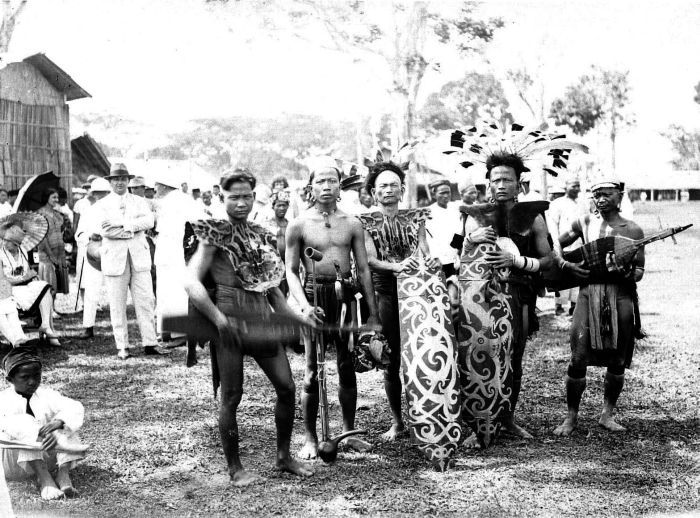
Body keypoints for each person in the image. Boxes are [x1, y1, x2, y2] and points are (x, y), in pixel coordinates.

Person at [185, 168, 313, 486]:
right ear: (221, 197)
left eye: (246, 196)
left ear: (254, 197)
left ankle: (283, 456)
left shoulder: (259, 232)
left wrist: (299, 316)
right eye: (233, 197)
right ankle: (235, 469)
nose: (241, 203)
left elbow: (273, 290)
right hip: (229, 321)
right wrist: (217, 319)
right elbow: (190, 282)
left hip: (261, 318)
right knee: (231, 396)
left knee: (287, 388)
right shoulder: (214, 230)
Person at [286, 157, 380, 458]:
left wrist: (373, 312)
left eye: (332, 181)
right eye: (321, 181)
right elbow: (290, 271)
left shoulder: (352, 223)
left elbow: (364, 269)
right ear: (310, 187)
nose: (326, 186)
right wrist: (304, 306)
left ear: (340, 186)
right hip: (314, 298)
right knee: (312, 371)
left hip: (345, 297)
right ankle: (311, 438)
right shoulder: (298, 224)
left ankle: (347, 432)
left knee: (346, 368)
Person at [460, 152, 555, 445]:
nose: (500, 185)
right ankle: (480, 422)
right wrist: (469, 239)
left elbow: (549, 259)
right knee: (480, 354)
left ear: (519, 184)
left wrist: (514, 260)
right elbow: (458, 255)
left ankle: (508, 419)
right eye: (495, 180)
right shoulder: (473, 215)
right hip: (480, 297)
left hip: (518, 293)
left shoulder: (533, 216)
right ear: (488, 183)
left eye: (507, 180)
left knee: (514, 356)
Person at [553, 176, 645, 436]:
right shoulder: (585, 222)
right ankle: (571, 418)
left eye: (607, 194)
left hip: (620, 295)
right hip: (588, 292)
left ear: (620, 195)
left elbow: (639, 271)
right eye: (597, 194)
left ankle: (607, 414)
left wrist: (625, 273)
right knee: (578, 353)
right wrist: (564, 264)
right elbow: (556, 243)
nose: (602, 199)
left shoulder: (633, 230)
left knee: (617, 356)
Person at [358, 161, 439, 441]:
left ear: (402, 189)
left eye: (394, 184)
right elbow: (368, 258)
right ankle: (397, 421)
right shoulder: (366, 222)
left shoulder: (416, 217)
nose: (389, 189)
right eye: (383, 185)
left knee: (421, 353)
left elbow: (423, 250)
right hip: (386, 293)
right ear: (373, 192)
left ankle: (424, 415)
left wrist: (419, 264)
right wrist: (395, 268)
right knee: (391, 359)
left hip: (416, 290)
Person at [92, 163, 161, 359]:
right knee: (117, 303)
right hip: (114, 259)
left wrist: (122, 224)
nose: (119, 183)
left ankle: (150, 342)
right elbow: (106, 231)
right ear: (110, 182)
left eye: (123, 179)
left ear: (128, 181)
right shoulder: (102, 204)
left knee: (146, 300)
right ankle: (122, 346)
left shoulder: (140, 201)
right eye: (116, 179)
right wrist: (132, 230)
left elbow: (149, 222)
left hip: (139, 257)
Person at [0, 346, 86, 500]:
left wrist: (58, 424)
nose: (32, 382)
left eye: (36, 376)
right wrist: (40, 431)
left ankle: (63, 474)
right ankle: (44, 479)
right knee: (25, 424)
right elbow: (9, 426)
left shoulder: (46, 394)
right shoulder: (3, 400)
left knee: (66, 423)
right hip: (13, 463)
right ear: (9, 379)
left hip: (47, 457)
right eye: (25, 377)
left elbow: (75, 407)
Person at [153, 171, 203, 342]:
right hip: (165, 247)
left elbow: (199, 219)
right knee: (164, 289)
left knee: (175, 289)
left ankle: (180, 333)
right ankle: (166, 330)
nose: (155, 188)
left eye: (157, 185)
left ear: (165, 185)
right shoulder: (168, 200)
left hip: (174, 248)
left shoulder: (180, 199)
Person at [0, 216, 61, 346]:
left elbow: (28, 272)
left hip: (25, 285)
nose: (6, 244)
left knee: (44, 286)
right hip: (10, 289)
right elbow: (3, 280)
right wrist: (24, 277)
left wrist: (30, 276)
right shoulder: (1, 254)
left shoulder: (22, 251)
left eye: (10, 242)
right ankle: (45, 330)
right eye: (5, 241)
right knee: (36, 289)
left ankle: (46, 325)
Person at [74, 178, 112, 339]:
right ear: (93, 194)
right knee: (91, 290)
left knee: (115, 291)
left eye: (104, 193)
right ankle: (88, 326)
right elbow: (79, 234)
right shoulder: (89, 211)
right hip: (94, 254)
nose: (100, 196)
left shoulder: (116, 208)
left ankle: (119, 327)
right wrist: (90, 236)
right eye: (97, 193)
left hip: (114, 253)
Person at [548, 177, 584, 316]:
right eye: (573, 185)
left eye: (578, 186)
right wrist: (556, 246)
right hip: (561, 245)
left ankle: (574, 305)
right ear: (566, 186)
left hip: (578, 245)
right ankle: (558, 306)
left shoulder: (582, 204)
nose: (576, 188)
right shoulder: (557, 203)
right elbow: (553, 226)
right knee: (561, 276)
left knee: (577, 275)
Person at [425, 179, 461, 317]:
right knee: (442, 296)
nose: (446, 196)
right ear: (434, 194)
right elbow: (429, 238)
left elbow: (459, 231)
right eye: (442, 193)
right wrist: (435, 257)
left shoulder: (455, 209)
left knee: (457, 295)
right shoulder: (430, 212)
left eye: (448, 192)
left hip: (455, 257)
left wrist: (459, 251)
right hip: (440, 260)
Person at [35, 188, 68, 297]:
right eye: (53, 197)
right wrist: (51, 255)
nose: (56, 199)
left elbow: (61, 232)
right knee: (48, 282)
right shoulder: (40, 214)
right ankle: (48, 310)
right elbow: (42, 238)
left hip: (59, 251)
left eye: (57, 197)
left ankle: (53, 308)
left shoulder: (57, 214)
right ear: (46, 198)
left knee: (57, 282)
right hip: (46, 253)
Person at [263, 190, 291, 260]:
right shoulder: (267, 225)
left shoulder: (291, 226)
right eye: (278, 205)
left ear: (287, 206)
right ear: (273, 207)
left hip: (288, 261)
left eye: (284, 205)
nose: (282, 208)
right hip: (273, 262)